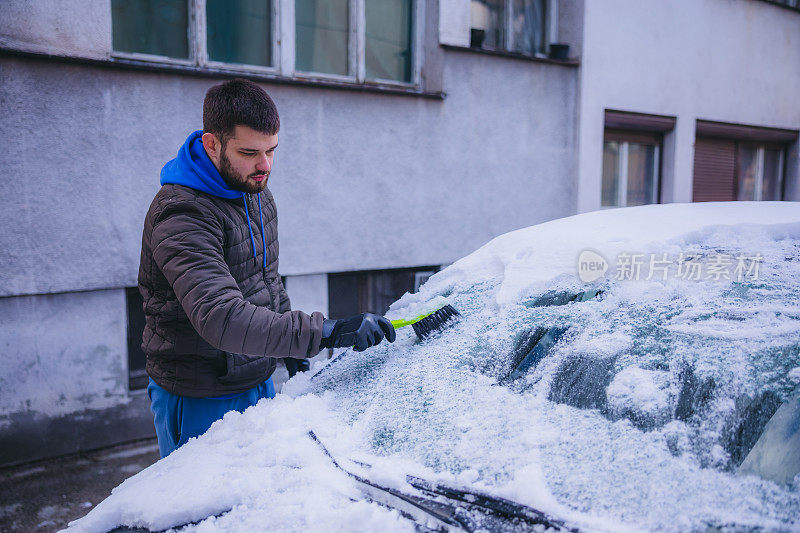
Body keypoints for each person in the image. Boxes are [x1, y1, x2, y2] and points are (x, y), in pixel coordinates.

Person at [138, 78, 396, 458]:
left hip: (257, 378)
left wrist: (288, 344)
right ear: (212, 144)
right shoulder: (182, 214)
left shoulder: (254, 190)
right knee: (211, 513)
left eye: (272, 150)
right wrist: (321, 332)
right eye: (250, 152)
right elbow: (220, 316)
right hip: (200, 396)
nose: (265, 166)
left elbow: (263, 280)